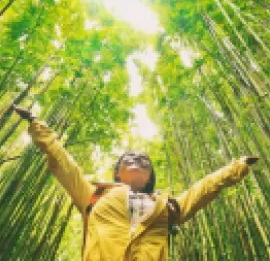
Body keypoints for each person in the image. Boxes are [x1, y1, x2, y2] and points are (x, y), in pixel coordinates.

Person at [13, 105, 259, 261]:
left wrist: (238, 167)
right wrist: (36, 123)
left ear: (150, 177)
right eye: (128, 158)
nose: (136, 159)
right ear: (117, 173)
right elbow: (61, 160)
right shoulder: (93, 195)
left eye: (144, 160)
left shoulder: (170, 206)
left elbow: (204, 187)